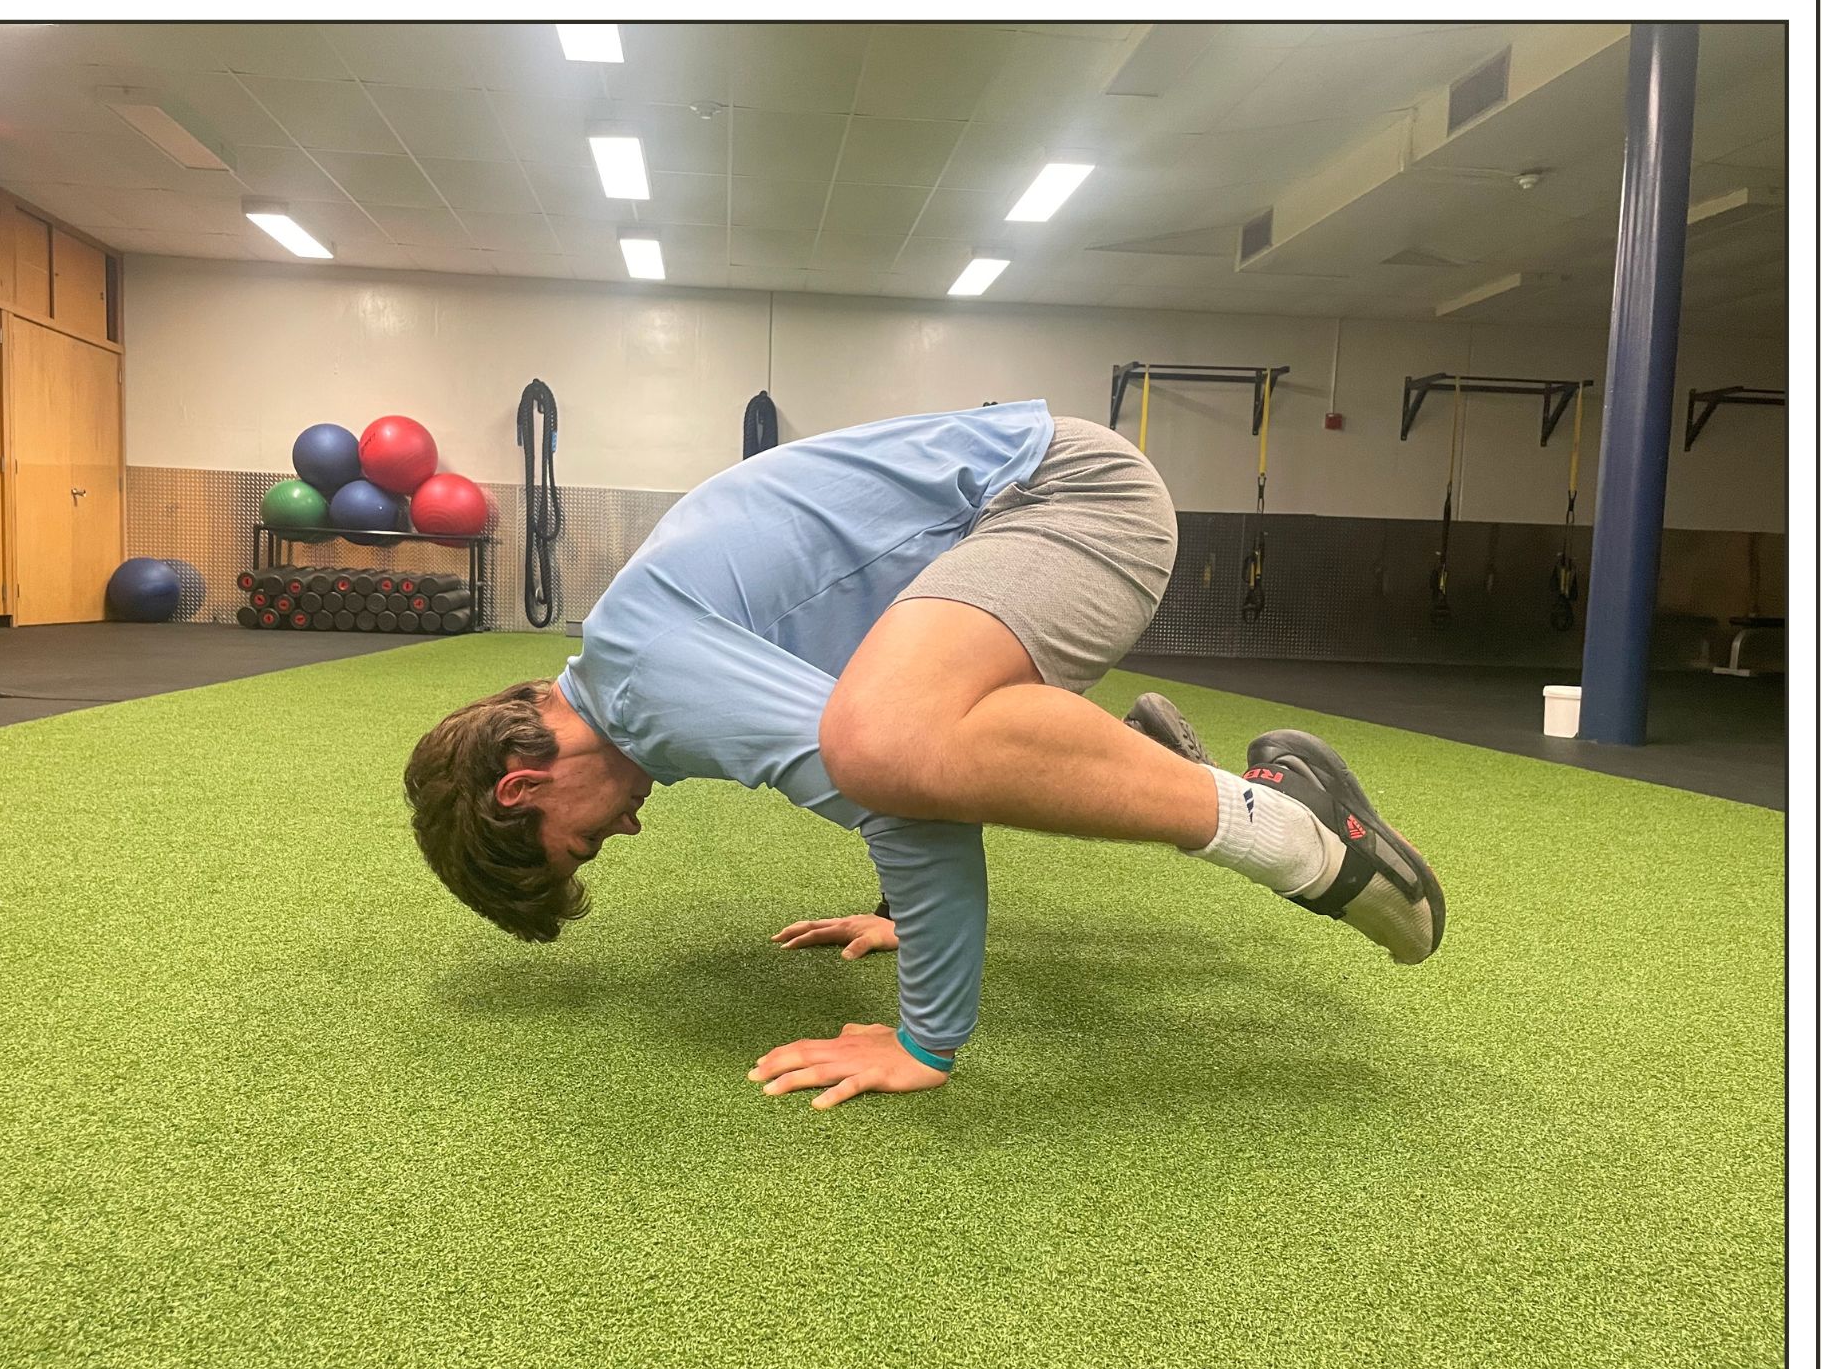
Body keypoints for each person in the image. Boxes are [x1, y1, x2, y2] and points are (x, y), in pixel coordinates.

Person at [404, 403, 1445, 1108]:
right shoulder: (637, 664)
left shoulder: (647, 682)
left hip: (1065, 500)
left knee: (885, 746)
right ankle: (1135, 765)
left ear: (524, 782)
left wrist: (922, 1040)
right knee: (887, 736)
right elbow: (866, 700)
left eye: (579, 844)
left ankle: (1304, 844)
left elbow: (896, 794)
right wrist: (901, 912)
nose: (619, 830)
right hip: (1016, 529)